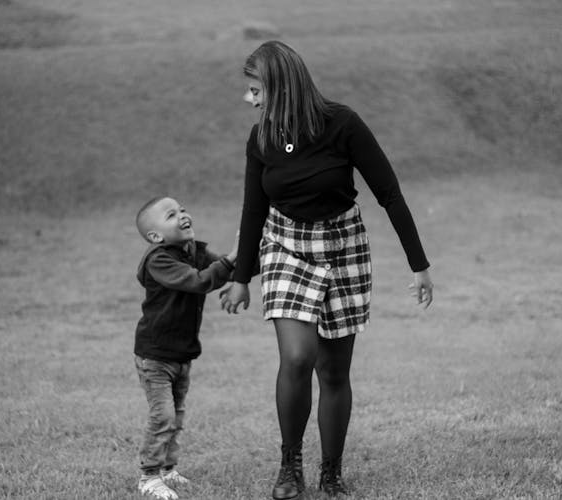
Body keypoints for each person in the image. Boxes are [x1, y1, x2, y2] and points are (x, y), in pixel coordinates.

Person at [219, 41, 434, 499]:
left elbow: (389, 192)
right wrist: (242, 278)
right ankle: (289, 467)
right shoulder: (261, 139)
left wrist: (419, 264)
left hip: (342, 246)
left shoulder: (343, 124)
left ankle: (331, 473)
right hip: (284, 245)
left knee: (334, 372)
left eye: (255, 89)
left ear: (281, 86)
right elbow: (252, 209)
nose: (249, 99)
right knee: (297, 357)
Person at [134, 196, 237, 500]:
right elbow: (198, 281)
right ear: (156, 236)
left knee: (176, 416)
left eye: (182, 210)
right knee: (162, 416)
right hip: (154, 355)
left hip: (182, 353)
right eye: (171, 215)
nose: (182, 215)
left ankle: (168, 469)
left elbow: (225, 270)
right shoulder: (159, 260)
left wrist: (245, 256)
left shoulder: (195, 251)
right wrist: (230, 260)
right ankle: (149, 476)